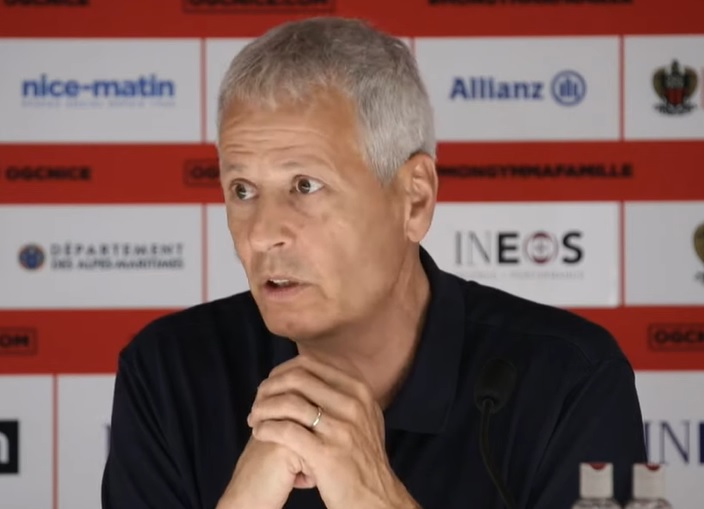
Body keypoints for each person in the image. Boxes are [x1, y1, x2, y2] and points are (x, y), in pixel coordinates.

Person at [101, 16, 647, 509]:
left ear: (414, 200)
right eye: (242, 189)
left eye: (304, 185)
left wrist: (372, 496)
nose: (262, 233)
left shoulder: (570, 380)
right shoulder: (168, 372)